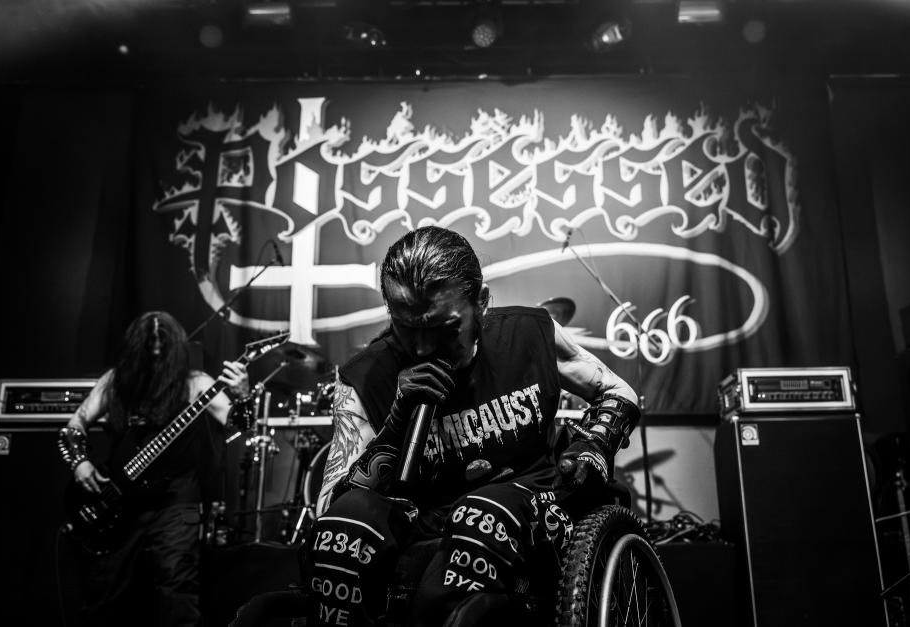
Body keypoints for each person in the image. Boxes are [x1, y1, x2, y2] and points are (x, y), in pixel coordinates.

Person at [231, 225, 642, 627]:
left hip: (524, 498)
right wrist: (396, 421)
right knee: (346, 526)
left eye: (445, 330)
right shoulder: (365, 376)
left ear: (481, 303)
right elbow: (328, 508)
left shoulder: (528, 333)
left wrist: (593, 445)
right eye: (406, 329)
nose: (423, 347)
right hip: (424, 516)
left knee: (482, 513)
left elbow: (618, 391)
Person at [57, 310, 251, 627]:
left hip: (175, 500)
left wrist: (243, 396)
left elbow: (237, 427)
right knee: (106, 593)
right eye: (149, 345)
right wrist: (79, 462)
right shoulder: (116, 381)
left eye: (163, 345)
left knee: (177, 588)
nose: (157, 351)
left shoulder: (196, 383)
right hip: (118, 502)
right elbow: (74, 425)